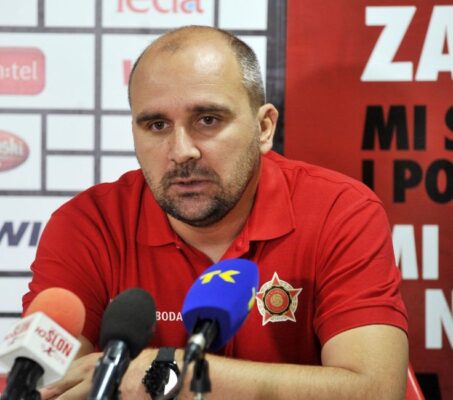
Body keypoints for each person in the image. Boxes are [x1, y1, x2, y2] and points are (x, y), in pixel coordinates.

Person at [23, 25, 409, 399]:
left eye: (207, 120)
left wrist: (165, 373)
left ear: (264, 127)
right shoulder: (87, 225)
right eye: (157, 125)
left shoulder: (340, 212)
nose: (181, 151)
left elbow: (375, 391)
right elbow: (51, 387)